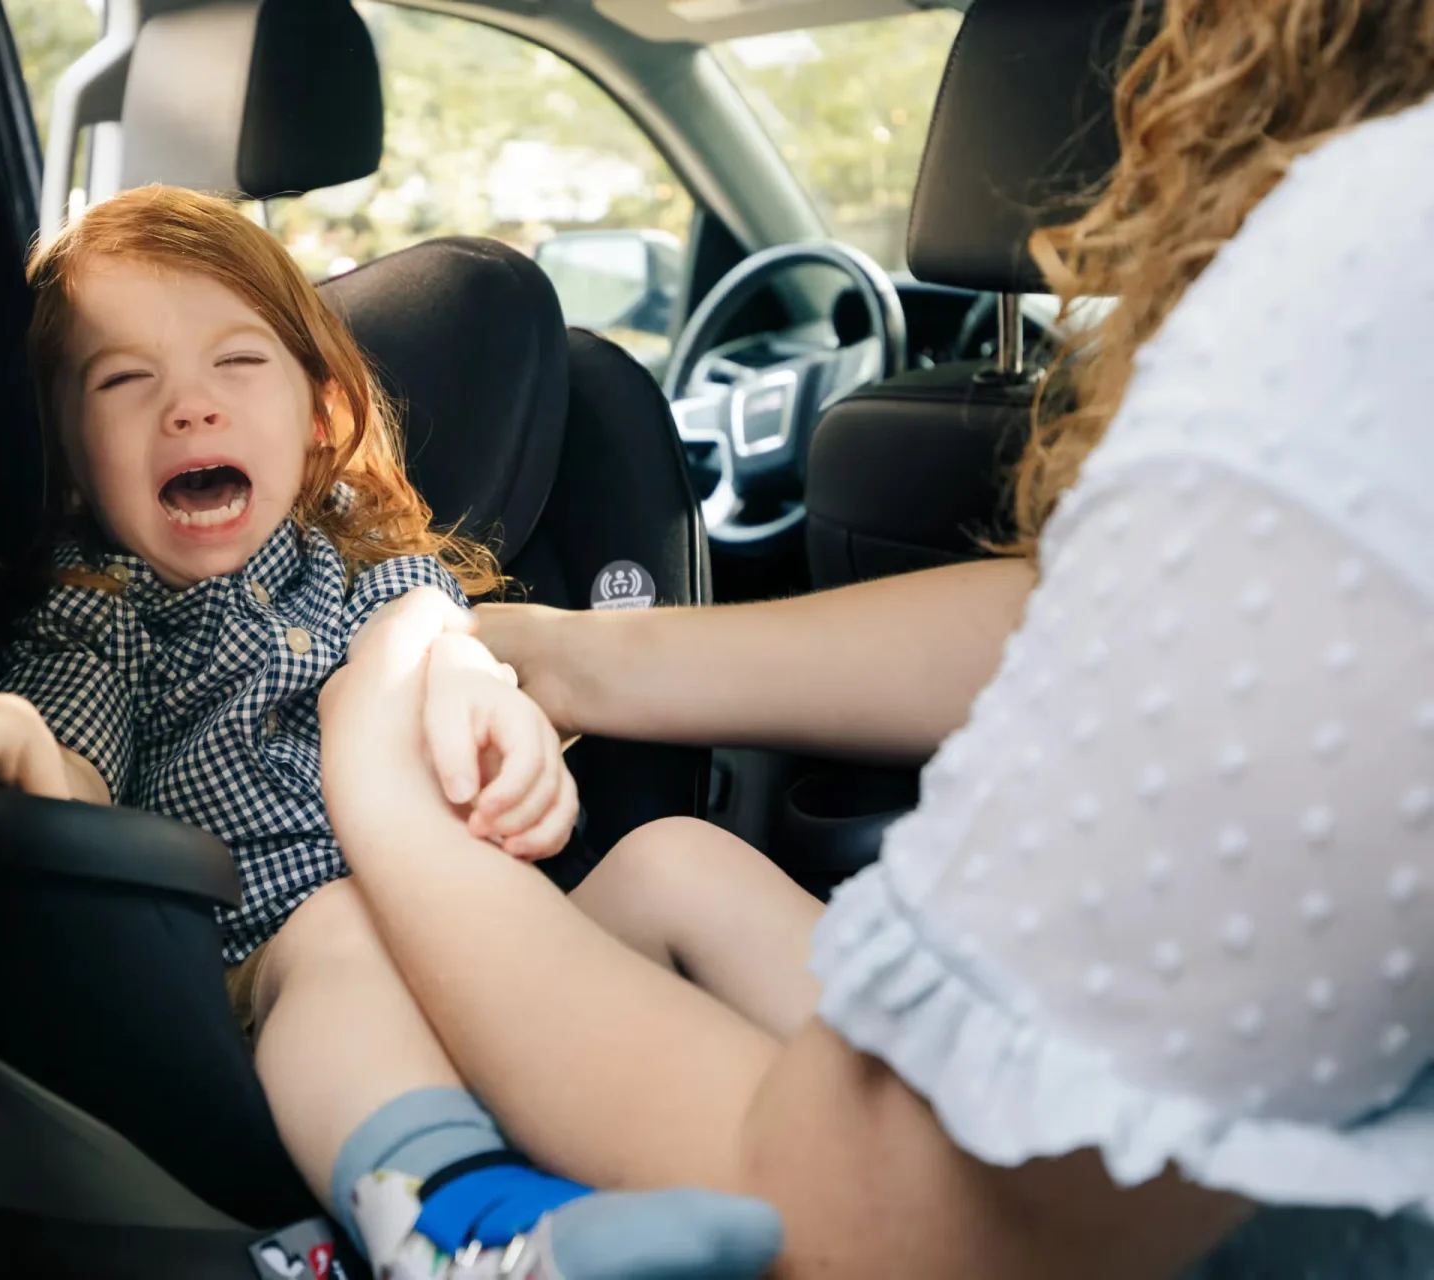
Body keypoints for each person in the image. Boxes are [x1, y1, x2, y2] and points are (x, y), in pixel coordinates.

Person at [315, 2, 1434, 1275]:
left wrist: (379, 789)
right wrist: (572, 654)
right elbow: (1133, 615)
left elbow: (876, 1219)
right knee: (678, 857)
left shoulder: (1376, 264)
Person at [0, 185, 799, 1280]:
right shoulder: (104, 609)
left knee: (676, 858)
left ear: (320, 413)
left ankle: (919, 1090)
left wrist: (505, 720)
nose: (190, 407)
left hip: (493, 953)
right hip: (270, 979)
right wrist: (7, 731)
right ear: (70, 457)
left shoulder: (386, 580)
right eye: (125, 380)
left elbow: (452, 654)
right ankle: (467, 1225)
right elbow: (69, 763)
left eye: (237, 363)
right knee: (341, 925)